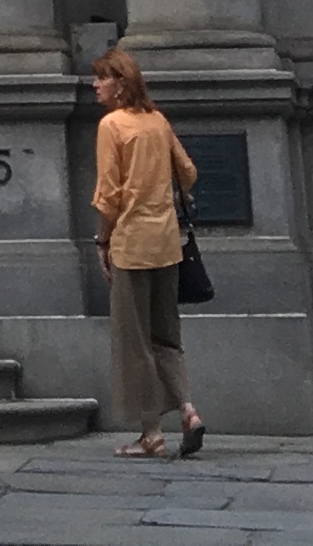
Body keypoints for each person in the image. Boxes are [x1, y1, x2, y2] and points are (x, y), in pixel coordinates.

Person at [90, 46, 204, 460]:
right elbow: (188, 172)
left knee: (134, 341)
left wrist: (102, 241)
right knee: (166, 337)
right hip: (167, 244)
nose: (95, 85)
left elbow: (109, 197)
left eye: (102, 78)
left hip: (132, 245)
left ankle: (151, 433)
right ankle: (188, 410)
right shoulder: (158, 121)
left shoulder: (111, 126)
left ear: (121, 84)